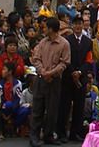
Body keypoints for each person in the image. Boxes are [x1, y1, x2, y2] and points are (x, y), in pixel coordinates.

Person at [30, 17, 71, 147]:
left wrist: (51, 73)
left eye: (45, 27)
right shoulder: (42, 42)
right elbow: (36, 59)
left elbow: (64, 62)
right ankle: (34, 136)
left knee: (52, 110)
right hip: (41, 79)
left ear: (51, 29)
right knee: (37, 109)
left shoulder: (64, 44)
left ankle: (48, 135)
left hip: (55, 80)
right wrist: (43, 72)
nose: (43, 29)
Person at [57, 16, 93, 143]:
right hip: (68, 77)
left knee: (79, 107)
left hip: (81, 78)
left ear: (83, 25)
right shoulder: (66, 40)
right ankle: (61, 132)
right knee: (64, 106)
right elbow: (64, 58)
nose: (78, 26)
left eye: (80, 24)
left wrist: (80, 72)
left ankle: (75, 132)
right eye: (76, 24)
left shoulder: (88, 42)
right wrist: (72, 71)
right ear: (72, 25)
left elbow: (89, 60)